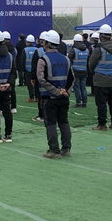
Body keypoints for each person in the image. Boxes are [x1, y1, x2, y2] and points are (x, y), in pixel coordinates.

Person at [38, 30, 74, 159]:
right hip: (63, 97)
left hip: (49, 97)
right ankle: (66, 148)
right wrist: (66, 91)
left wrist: (56, 91)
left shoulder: (43, 59)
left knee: (51, 124)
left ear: (47, 43)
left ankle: (54, 150)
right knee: (64, 122)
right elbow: (71, 78)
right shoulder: (66, 59)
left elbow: (41, 79)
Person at [88, 24, 112, 131]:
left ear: (101, 36)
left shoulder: (99, 49)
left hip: (101, 80)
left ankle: (102, 124)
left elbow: (91, 64)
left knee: (101, 104)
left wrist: (94, 72)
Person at [68, 33, 89, 108]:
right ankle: (84, 103)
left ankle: (78, 102)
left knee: (77, 88)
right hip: (84, 71)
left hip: (75, 71)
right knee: (83, 87)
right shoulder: (86, 50)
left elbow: (69, 60)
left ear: (74, 41)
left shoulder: (74, 50)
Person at [31, 32, 47, 122]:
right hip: (52, 78)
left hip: (40, 78)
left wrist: (33, 77)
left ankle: (42, 115)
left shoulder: (38, 51)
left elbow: (34, 66)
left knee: (40, 97)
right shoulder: (57, 51)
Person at [20, 34, 38, 102]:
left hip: (28, 70)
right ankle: (37, 97)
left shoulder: (25, 50)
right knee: (36, 83)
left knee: (29, 84)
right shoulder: (37, 49)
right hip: (36, 69)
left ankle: (31, 97)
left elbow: (23, 60)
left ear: (27, 42)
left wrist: (22, 70)